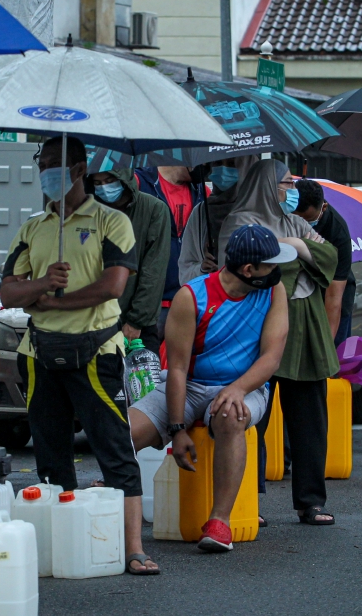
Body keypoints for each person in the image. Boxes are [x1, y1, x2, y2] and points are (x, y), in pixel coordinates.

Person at [0, 136, 157, 575]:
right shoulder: (34, 227)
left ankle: (133, 548)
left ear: (78, 167)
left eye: (54, 163)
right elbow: (10, 289)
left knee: (114, 450)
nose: (46, 170)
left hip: (96, 351)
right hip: (39, 353)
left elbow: (113, 286)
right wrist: (44, 283)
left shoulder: (112, 221)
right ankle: (57, 548)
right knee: (49, 454)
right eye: (41, 162)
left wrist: (54, 301)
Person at [130, 224, 291, 552]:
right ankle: (104, 504)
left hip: (246, 387)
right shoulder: (191, 297)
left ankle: (219, 523)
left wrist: (237, 389)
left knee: (230, 417)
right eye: (270, 265)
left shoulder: (275, 292)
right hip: (187, 386)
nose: (277, 270)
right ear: (249, 270)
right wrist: (176, 429)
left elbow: (271, 358)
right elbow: (175, 369)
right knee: (123, 433)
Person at [220, 159, 339, 525]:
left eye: (293, 182)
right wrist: (296, 251)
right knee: (252, 415)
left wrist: (295, 245)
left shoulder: (296, 222)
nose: (292, 190)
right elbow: (252, 266)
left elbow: (329, 256)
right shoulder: (239, 221)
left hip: (306, 324)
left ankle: (311, 500)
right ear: (264, 184)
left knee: (310, 418)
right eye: (285, 183)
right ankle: (247, 500)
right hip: (260, 321)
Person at [91, 168, 170, 353]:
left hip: (136, 326)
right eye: (97, 183)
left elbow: (153, 272)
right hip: (94, 323)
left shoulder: (154, 210)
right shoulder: (90, 211)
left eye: (109, 180)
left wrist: (136, 320)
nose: (104, 188)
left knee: (141, 381)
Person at [134, 166, 207, 338]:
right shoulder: (140, 182)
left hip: (190, 301)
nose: (209, 168)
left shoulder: (202, 190)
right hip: (148, 304)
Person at [177, 155, 259, 284]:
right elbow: (184, 271)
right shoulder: (201, 212)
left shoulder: (260, 211)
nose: (223, 169)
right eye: (218, 162)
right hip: (210, 299)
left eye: (231, 164)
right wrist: (202, 269)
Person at [294, 180, 355, 345]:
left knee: (332, 355)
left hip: (332, 294)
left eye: (308, 221)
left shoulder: (338, 233)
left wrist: (326, 347)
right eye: (297, 220)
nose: (303, 226)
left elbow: (334, 296)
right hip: (301, 295)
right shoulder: (285, 219)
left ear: (324, 208)